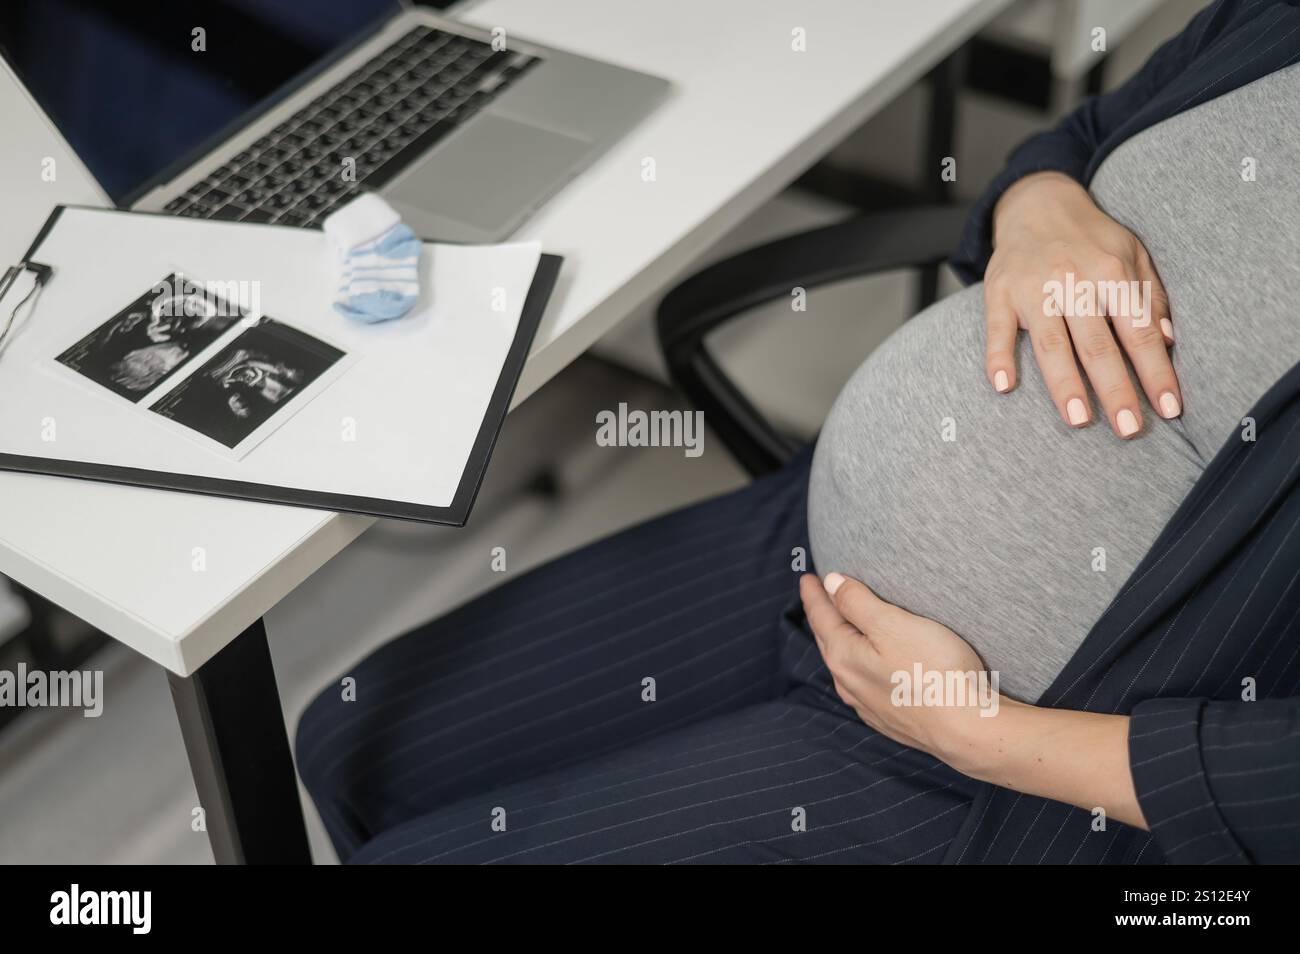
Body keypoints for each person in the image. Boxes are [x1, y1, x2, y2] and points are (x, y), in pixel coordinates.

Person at [296, 0, 1300, 864]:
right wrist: (1040, 203)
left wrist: (987, 737)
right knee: (348, 741)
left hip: (997, 769)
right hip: (808, 548)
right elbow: (1078, 133)